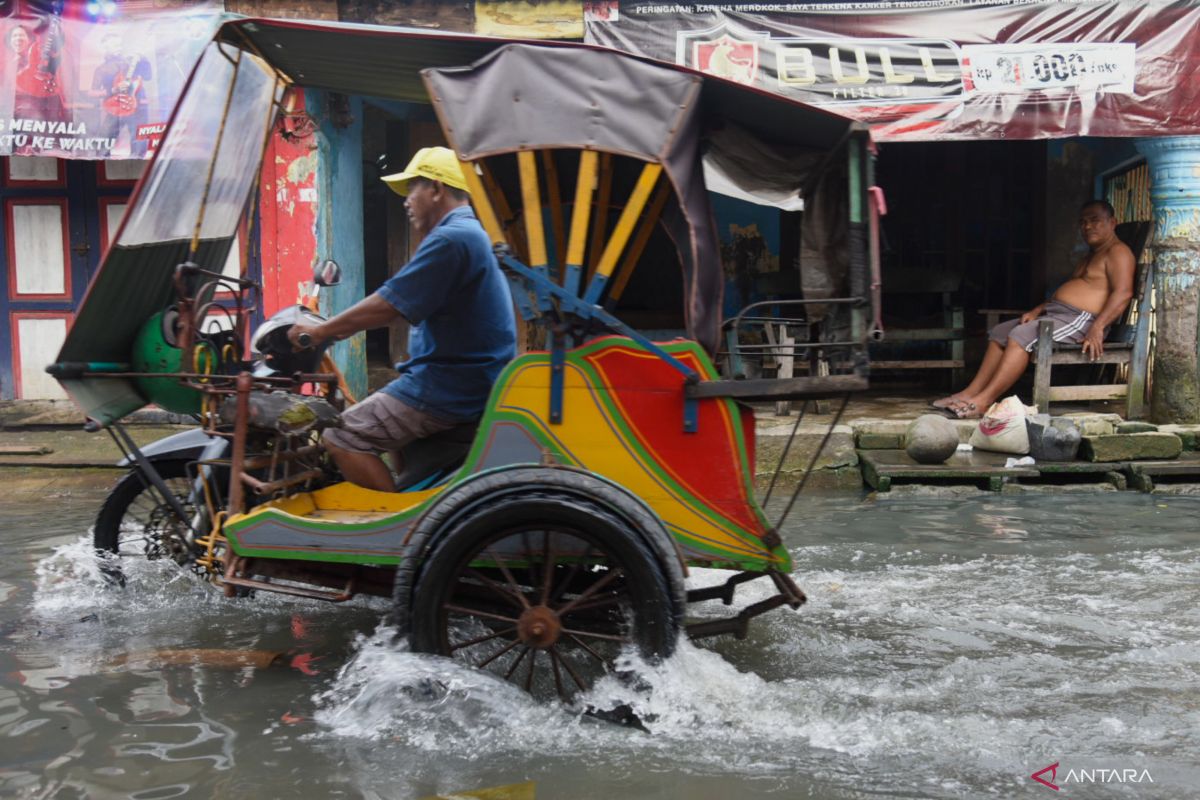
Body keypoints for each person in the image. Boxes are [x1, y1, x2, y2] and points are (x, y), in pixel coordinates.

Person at [288, 147, 517, 491]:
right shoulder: (469, 233)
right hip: (463, 379)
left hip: (446, 386)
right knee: (385, 409)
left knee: (340, 434)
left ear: (437, 189)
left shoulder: (450, 239)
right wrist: (333, 331)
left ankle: (391, 536)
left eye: (413, 189)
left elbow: (389, 304)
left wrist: (322, 331)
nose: (406, 201)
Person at [933, 200, 1135, 419]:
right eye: (1083, 222)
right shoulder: (1090, 256)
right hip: (1059, 315)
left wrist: (1097, 327)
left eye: (1094, 221)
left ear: (1112, 222)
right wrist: (1038, 309)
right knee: (1000, 332)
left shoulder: (1118, 252)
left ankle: (983, 401)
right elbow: (1069, 290)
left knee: (1021, 336)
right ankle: (969, 393)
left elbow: (1123, 293)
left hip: (1082, 321)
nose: (1087, 227)